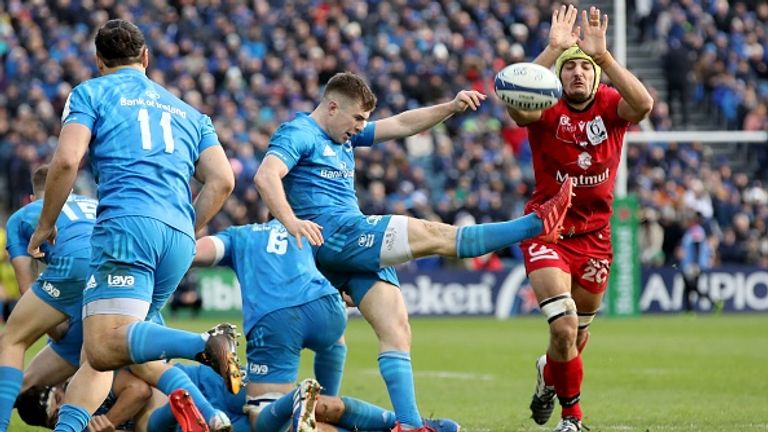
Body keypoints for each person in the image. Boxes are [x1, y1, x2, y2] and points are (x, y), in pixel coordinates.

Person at [255, 71, 574, 432]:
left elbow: (403, 123)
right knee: (434, 234)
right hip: (335, 234)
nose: (361, 127)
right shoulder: (298, 133)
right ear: (332, 107)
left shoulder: (344, 136)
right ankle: (534, 225)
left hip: (348, 248)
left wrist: (451, 107)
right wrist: (292, 222)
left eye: (364, 120)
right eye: (357, 118)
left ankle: (407, 425)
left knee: (396, 328)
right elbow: (266, 176)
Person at [26, 19, 237, 432]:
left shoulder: (90, 92)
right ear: (146, 58)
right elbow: (223, 180)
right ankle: (197, 414)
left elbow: (67, 160)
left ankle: (203, 345)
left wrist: (46, 223)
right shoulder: (189, 112)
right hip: (177, 237)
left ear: (99, 60)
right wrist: (185, 226)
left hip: (127, 226)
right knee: (104, 348)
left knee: (104, 347)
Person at [504, 5, 653, 432]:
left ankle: (549, 374)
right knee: (565, 325)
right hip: (547, 229)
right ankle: (573, 420)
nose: (577, 74)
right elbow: (517, 107)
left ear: (596, 74)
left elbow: (643, 104)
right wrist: (553, 50)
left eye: (585, 68)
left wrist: (604, 56)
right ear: (559, 76)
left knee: (574, 337)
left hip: (595, 236)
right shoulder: (545, 103)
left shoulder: (610, 104)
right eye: (570, 68)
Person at [192, 220, 459, 432]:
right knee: (335, 341)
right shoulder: (311, 227)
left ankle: (303, 398)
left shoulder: (240, 235)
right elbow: (348, 272)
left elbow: (197, 251)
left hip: (274, 318)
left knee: (263, 419)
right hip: (326, 308)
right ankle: (340, 406)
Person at [0, 165, 96, 431]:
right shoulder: (93, 203)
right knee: (102, 360)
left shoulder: (24, 215)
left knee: (13, 339)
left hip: (75, 266)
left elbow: (26, 290)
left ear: (33, 198)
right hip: (119, 274)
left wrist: (54, 329)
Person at [679, 212, 719, 313]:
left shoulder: (696, 230)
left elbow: (697, 247)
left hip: (693, 265)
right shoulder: (691, 231)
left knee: (693, 287)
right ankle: (688, 310)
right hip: (689, 264)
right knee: (689, 287)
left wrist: (695, 264)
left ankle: (713, 302)